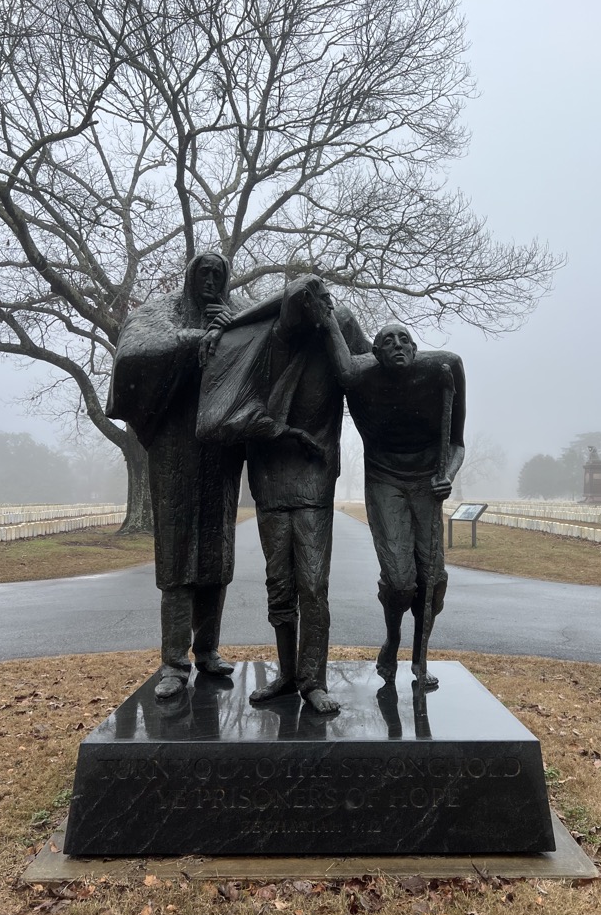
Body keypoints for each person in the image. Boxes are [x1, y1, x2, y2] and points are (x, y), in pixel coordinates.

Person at [199, 276, 370, 713]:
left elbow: (363, 379)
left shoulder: (338, 325)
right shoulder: (261, 336)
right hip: (270, 477)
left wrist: (329, 323)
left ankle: (314, 679)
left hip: (313, 477)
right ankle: (289, 674)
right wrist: (219, 329)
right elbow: (226, 403)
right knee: (279, 584)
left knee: (312, 584)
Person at [106, 252, 243, 698]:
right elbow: (134, 354)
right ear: (189, 276)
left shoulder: (236, 314)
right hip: (174, 449)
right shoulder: (160, 313)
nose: (210, 279)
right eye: (203, 272)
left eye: (217, 274)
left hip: (219, 452)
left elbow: (267, 351)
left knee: (216, 557)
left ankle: (207, 651)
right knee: (177, 557)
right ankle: (173, 662)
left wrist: (230, 333)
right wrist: (196, 339)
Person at [322, 318, 465, 686]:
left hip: (428, 480)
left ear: (415, 350)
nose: (398, 345)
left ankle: (419, 658)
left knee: (432, 580)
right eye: (388, 341)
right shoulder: (362, 378)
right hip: (385, 479)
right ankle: (392, 638)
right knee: (401, 582)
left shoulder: (444, 368)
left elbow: (457, 444)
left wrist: (446, 474)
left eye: (405, 339)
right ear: (375, 352)